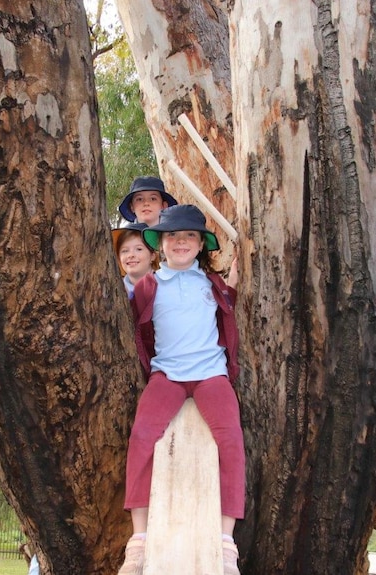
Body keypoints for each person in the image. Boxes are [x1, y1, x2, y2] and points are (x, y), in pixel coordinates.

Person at [118, 205, 245, 575]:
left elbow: (232, 296)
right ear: (162, 243)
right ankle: (138, 541)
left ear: (200, 244)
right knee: (142, 436)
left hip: (210, 375)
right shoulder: (149, 285)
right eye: (173, 236)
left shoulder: (212, 284)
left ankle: (225, 542)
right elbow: (131, 323)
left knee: (232, 441)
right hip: (168, 376)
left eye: (189, 236)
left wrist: (236, 267)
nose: (181, 242)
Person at [112, 222, 158, 296]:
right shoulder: (114, 291)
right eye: (125, 251)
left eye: (139, 249)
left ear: (152, 255)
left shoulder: (166, 287)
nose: (131, 255)